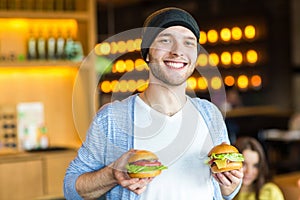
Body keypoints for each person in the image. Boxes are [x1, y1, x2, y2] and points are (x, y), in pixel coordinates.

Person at [64, 7, 243, 200]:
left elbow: (226, 192)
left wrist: (230, 184)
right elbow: (71, 189)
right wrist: (111, 174)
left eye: (188, 43)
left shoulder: (211, 115)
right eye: (166, 40)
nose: (178, 51)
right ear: (147, 53)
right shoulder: (112, 119)